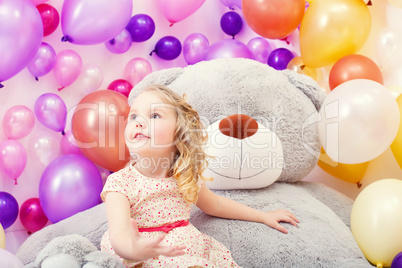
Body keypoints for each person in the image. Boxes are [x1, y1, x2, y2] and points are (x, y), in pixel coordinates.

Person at [100, 84, 299, 267]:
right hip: (139, 254)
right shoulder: (120, 183)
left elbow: (216, 205)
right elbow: (119, 234)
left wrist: (263, 216)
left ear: (179, 133)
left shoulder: (185, 176)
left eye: (154, 116)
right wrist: (133, 249)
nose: (139, 123)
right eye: (134, 116)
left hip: (181, 248)